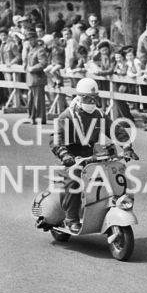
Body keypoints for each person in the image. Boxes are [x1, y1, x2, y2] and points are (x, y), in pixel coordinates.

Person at [49, 77, 132, 233]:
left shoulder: (99, 114)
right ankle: (71, 218)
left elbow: (115, 130)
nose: (91, 101)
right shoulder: (67, 116)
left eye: (94, 98)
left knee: (113, 174)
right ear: (79, 97)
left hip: (91, 156)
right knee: (74, 177)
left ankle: (109, 207)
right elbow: (55, 140)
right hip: (70, 158)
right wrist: (66, 156)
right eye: (88, 98)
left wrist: (127, 146)